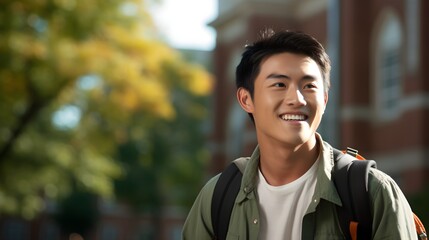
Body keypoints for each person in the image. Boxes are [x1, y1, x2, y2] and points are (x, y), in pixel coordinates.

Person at [182, 29, 416, 239]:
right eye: (279, 85)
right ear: (246, 99)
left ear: (324, 100)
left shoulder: (373, 193)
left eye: (309, 86)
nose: (297, 99)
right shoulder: (217, 197)